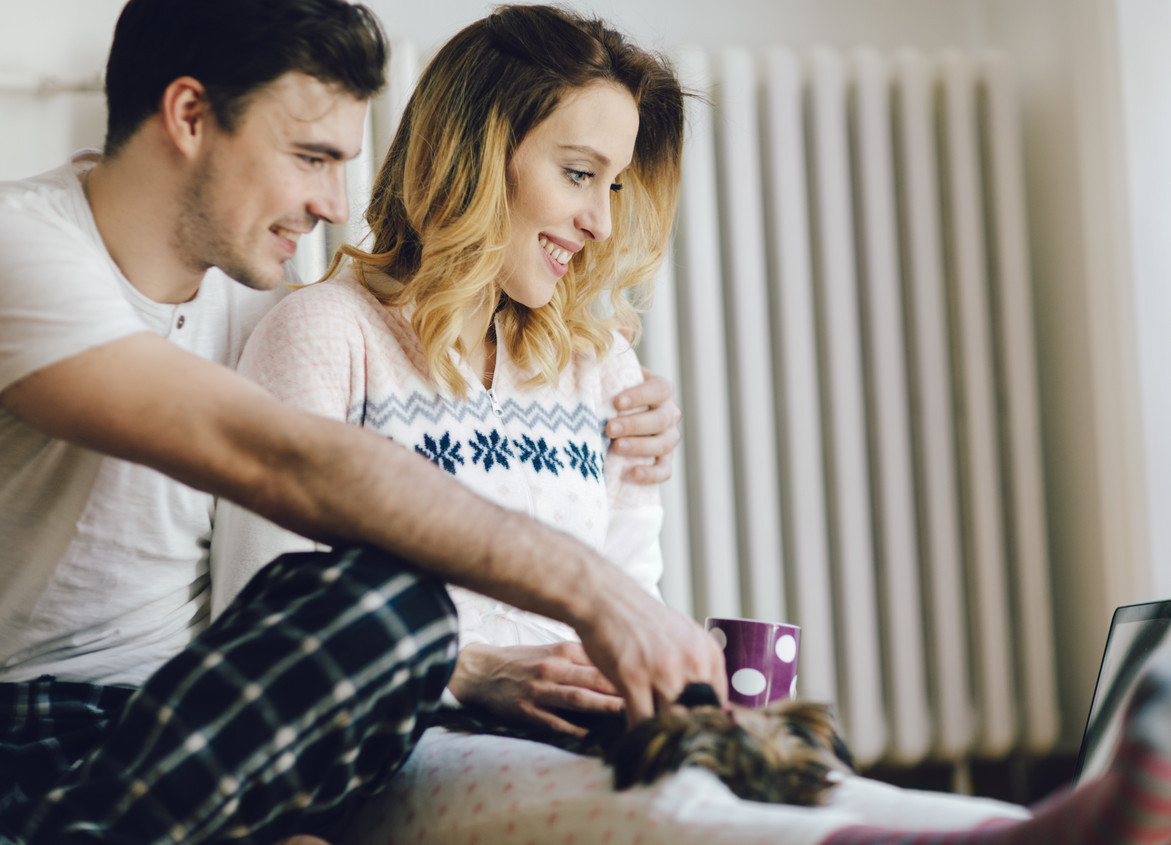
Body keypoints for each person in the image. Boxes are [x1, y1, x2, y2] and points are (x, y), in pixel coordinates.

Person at [206, 7, 1171, 845]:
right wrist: (482, 672)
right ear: (471, 151)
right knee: (663, 815)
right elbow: (265, 627)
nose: (597, 219)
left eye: (614, 186)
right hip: (405, 747)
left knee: (808, 785)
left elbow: (632, 595)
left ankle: (1058, 827)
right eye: (579, 173)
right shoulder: (326, 334)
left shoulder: (597, 364)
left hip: (590, 731)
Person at [0, 0, 727, 842]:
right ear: (190, 116)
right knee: (394, 607)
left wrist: (624, 398)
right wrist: (590, 595)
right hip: (39, 718)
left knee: (376, 629)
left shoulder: (253, 289)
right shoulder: (25, 252)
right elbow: (289, 461)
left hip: (200, 711)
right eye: (311, 157)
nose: (335, 204)